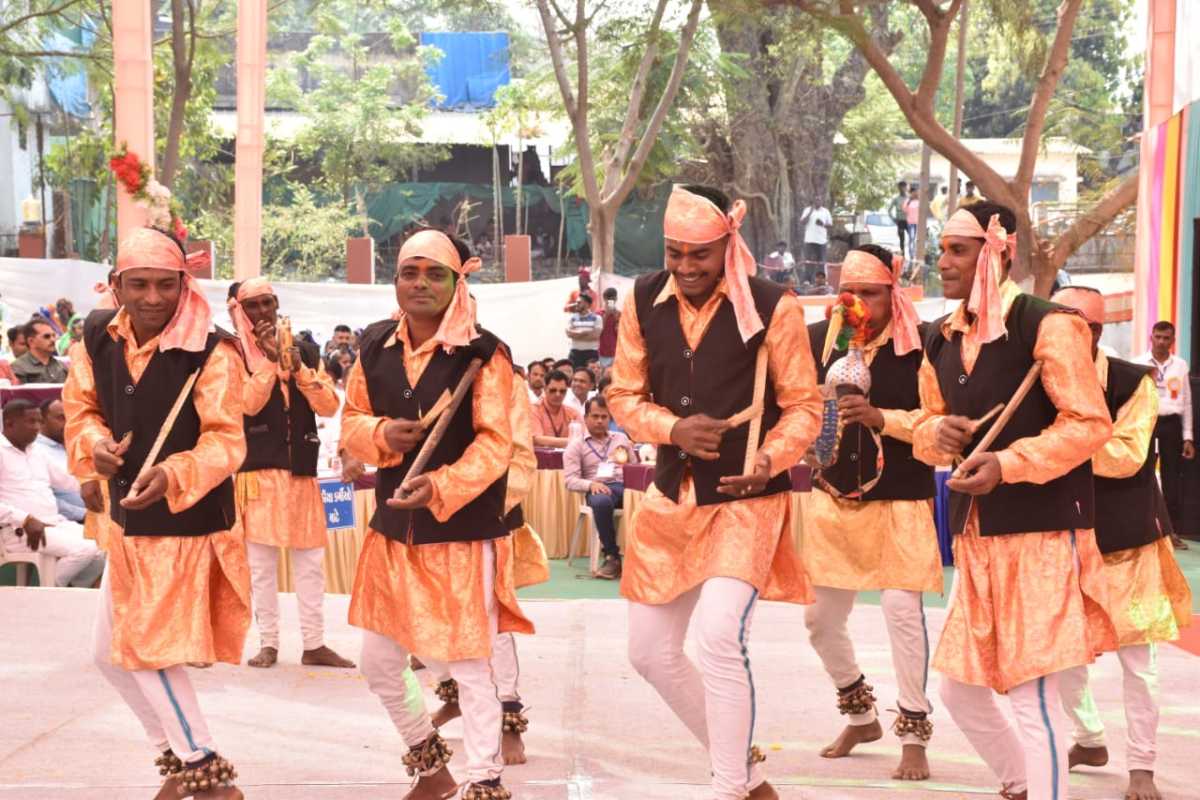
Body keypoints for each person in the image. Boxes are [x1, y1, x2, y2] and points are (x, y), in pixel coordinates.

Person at [609, 184, 822, 800]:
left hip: (746, 498)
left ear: (728, 244)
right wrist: (672, 428)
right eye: (674, 252)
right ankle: (747, 775)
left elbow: (804, 407)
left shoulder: (774, 305)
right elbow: (622, 395)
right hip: (671, 497)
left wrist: (769, 459)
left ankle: (728, 787)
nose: (684, 266)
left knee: (720, 636)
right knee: (649, 653)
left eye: (698, 254)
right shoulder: (642, 298)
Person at [913, 202, 1116, 800]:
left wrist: (1008, 463)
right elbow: (924, 423)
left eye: (957, 249)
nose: (943, 261)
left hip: (1042, 535)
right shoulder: (940, 335)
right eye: (942, 249)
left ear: (995, 253)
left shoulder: (1047, 324)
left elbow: (1089, 423)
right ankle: (1022, 784)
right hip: (975, 537)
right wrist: (939, 432)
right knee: (957, 690)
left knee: (1032, 694)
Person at [340, 228, 532, 800]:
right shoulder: (374, 345)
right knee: (379, 662)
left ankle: (484, 780)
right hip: (393, 533)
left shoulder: (485, 354)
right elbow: (351, 418)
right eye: (410, 273)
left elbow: (496, 444)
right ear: (396, 280)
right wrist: (380, 433)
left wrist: (442, 485)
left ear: (456, 283)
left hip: (462, 534)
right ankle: (431, 766)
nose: (420, 284)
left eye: (434, 274)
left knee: (471, 666)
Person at [64, 222, 250, 799]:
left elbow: (226, 441)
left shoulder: (214, 350)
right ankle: (176, 759)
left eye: (165, 285)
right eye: (139, 284)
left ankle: (207, 769)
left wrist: (172, 473)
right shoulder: (96, 336)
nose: (152, 298)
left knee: (149, 651)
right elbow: (81, 410)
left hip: (183, 527)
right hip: (124, 524)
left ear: (183, 284)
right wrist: (94, 446)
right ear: (116, 284)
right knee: (109, 655)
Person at [802, 244, 940, 782]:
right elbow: (796, 407)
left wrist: (883, 418)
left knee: (902, 613)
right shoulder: (818, 340)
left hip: (901, 499)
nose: (856, 302)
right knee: (819, 620)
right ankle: (860, 716)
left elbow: (939, 420)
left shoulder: (924, 344)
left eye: (869, 293)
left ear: (892, 292)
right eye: (848, 292)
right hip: (833, 497)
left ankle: (913, 733)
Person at [1050, 287, 1193, 800]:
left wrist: (1049, 447)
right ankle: (1089, 738)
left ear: (1095, 330)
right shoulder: (1037, 378)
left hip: (1130, 542)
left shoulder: (1134, 381)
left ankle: (1142, 767)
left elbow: (1126, 456)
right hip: (1062, 537)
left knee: (1139, 664)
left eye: (1075, 325)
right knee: (1062, 657)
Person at [226, 278, 355, 670]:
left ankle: (314, 644)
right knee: (261, 567)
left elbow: (329, 405)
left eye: (267, 303)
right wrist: (269, 360)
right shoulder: (231, 352)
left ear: (277, 303)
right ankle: (268, 643)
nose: (261, 312)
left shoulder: (307, 350)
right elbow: (247, 405)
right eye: (252, 306)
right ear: (240, 311)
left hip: (300, 470)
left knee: (311, 562)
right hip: (258, 473)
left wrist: (296, 366)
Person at [424, 370, 551, 767]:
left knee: (493, 623)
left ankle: (509, 720)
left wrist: (481, 504)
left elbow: (521, 458)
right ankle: (454, 694)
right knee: (426, 618)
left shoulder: (504, 379)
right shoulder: (422, 369)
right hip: (433, 513)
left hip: (490, 515)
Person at [0, 399, 105, 586]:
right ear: (9, 424)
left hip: (53, 523)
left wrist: (96, 486)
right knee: (85, 549)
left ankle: (62, 590)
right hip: (18, 530)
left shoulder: (37, 451)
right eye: (31, 421)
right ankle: (49, 591)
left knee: (103, 543)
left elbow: (67, 480)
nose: (37, 427)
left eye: (39, 421)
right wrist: (25, 519)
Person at [1134, 321, 1193, 550]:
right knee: (1142, 476)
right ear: (1151, 338)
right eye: (1157, 337)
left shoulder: (1180, 365)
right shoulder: (1138, 363)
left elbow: (1187, 403)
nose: (1161, 341)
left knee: (1172, 480)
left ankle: (1172, 533)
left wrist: (1188, 437)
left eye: (1166, 338)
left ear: (1172, 341)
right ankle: (1143, 532)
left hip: (1171, 424)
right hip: (1146, 423)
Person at [563, 396, 636, 579]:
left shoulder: (621, 438)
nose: (599, 421)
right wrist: (591, 484)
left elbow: (634, 467)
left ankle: (647, 559)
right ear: (585, 417)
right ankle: (612, 557)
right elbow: (570, 480)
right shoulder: (576, 445)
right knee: (601, 503)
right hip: (597, 488)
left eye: (604, 417)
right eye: (595, 416)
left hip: (624, 487)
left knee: (651, 499)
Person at [35, 398, 86, 522]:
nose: (68, 423)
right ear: (42, 421)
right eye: (61, 418)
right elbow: (44, 497)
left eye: (70, 417)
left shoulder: (76, 445)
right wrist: (84, 515)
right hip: (71, 522)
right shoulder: (36, 451)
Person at [531, 369, 581, 448]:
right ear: (544, 389)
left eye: (562, 391)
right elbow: (537, 439)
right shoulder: (534, 410)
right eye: (553, 390)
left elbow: (584, 438)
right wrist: (571, 441)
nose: (558, 394)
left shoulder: (573, 413)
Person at [12, 319, 68, 383]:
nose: (53, 340)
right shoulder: (19, 368)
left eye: (54, 335)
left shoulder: (61, 366)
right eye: (46, 336)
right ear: (31, 341)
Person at [566, 292, 603, 369]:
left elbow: (595, 336)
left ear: (587, 304)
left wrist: (576, 334)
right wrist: (585, 332)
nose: (576, 304)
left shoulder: (597, 318)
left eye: (579, 302)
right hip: (575, 353)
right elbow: (569, 333)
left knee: (592, 375)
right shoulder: (572, 318)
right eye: (576, 302)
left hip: (591, 354)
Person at [801, 201, 833, 283]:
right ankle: (808, 281)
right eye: (816, 199)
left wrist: (822, 224)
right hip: (809, 240)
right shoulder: (807, 210)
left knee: (821, 263)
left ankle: (822, 282)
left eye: (819, 199)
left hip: (821, 241)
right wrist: (810, 212)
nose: (817, 200)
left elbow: (830, 225)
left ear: (821, 200)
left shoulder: (825, 211)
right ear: (813, 200)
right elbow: (802, 222)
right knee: (808, 262)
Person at [598, 287, 620, 367]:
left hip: (616, 352)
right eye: (608, 299)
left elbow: (620, 333)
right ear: (604, 299)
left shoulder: (619, 314)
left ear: (616, 299)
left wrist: (617, 319)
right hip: (601, 352)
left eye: (613, 299)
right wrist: (606, 315)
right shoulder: (598, 313)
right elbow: (598, 331)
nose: (611, 301)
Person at [888, 181, 909, 258]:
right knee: (902, 240)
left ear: (906, 188)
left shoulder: (909, 198)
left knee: (912, 239)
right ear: (899, 188)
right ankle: (903, 256)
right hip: (900, 221)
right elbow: (889, 210)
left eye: (904, 187)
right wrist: (894, 219)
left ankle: (912, 255)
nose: (902, 189)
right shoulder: (896, 199)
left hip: (909, 221)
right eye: (901, 187)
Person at [904, 186, 920, 260]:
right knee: (911, 238)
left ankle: (916, 253)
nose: (915, 193)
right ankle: (911, 254)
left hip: (918, 223)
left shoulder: (919, 200)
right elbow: (905, 210)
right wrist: (908, 202)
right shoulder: (908, 201)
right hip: (910, 222)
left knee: (917, 239)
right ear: (911, 193)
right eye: (914, 192)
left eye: (916, 192)